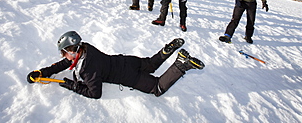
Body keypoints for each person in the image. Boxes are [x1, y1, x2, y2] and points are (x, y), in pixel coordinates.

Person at [27, 31, 204, 99]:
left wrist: (71, 85)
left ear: (73, 51)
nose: (64, 56)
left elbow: (94, 93)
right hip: (126, 60)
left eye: (64, 52)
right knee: (150, 64)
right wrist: (42, 72)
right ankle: (168, 50)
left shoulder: (88, 69)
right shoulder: (86, 48)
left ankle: (181, 65)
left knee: (156, 88)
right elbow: (62, 64)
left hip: (128, 77)